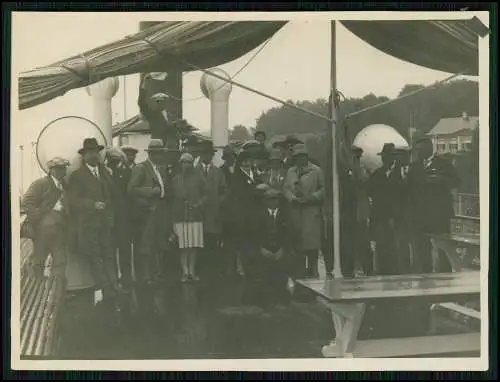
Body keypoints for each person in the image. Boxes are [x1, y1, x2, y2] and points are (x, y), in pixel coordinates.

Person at [67, 138, 123, 315]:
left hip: (105, 224)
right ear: (84, 156)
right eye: (90, 152)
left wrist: (109, 210)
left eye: (96, 152)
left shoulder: (104, 172)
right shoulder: (77, 176)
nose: (93, 155)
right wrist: (92, 205)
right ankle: (105, 292)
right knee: (96, 259)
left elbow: (114, 194)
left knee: (108, 256)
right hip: (89, 226)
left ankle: (113, 288)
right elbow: (72, 201)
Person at [128, 139, 175, 291]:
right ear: (151, 154)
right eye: (157, 153)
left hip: (161, 209)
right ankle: (147, 277)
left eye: (161, 153)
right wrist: (150, 192)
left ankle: (156, 274)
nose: (160, 156)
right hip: (149, 211)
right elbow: (131, 189)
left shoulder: (160, 169)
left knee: (159, 242)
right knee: (147, 244)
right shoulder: (141, 168)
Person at [407, 138, 460, 273]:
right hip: (421, 216)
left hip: (439, 215)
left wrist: (441, 180)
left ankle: (445, 278)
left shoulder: (445, 164)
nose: (418, 152)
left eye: (421, 149)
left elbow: (456, 181)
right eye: (417, 150)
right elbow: (410, 190)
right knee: (422, 249)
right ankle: (425, 277)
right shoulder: (414, 166)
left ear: (430, 148)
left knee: (442, 248)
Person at [21, 156, 71, 278]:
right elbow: (26, 202)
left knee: (60, 261)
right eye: (60, 168)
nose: (64, 171)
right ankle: (35, 288)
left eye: (64, 168)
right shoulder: (40, 184)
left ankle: (55, 292)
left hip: (59, 230)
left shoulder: (63, 185)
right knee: (38, 262)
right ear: (52, 170)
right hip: (42, 231)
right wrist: (39, 219)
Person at [283, 143, 325, 279]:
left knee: (312, 248)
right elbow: (286, 188)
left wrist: (312, 197)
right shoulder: (290, 171)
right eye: (297, 157)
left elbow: (324, 189)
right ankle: (300, 279)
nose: (299, 159)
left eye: (302, 156)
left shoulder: (316, 171)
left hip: (311, 213)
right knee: (298, 248)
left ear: (306, 157)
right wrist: (292, 198)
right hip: (295, 213)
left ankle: (313, 275)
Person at [246, 189, 290, 307]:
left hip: (280, 251)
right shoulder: (258, 216)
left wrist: (283, 249)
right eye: (270, 199)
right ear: (265, 201)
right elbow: (253, 236)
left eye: (275, 199)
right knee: (262, 270)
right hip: (264, 250)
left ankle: (281, 299)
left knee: (283, 267)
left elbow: (289, 235)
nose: (273, 202)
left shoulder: (285, 215)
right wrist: (261, 250)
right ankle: (264, 301)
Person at [367, 143, 405, 275]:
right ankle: (383, 273)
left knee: (395, 249)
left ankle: (395, 275)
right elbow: (371, 193)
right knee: (382, 248)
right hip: (379, 218)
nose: (385, 159)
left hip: (396, 218)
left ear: (393, 158)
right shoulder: (377, 174)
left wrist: (394, 216)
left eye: (388, 156)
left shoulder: (400, 175)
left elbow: (402, 197)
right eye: (384, 156)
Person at [171, 153, 207, 282]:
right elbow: (172, 199)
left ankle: (192, 270)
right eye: (184, 162)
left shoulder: (199, 178)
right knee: (183, 245)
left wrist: (198, 205)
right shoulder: (175, 179)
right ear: (180, 164)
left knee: (193, 245)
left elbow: (206, 194)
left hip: (195, 215)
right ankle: (184, 271)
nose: (186, 165)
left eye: (189, 162)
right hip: (180, 215)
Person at [198, 143, 228, 280]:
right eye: (205, 154)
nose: (207, 157)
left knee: (212, 243)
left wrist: (218, 202)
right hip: (198, 213)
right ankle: (200, 271)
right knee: (199, 242)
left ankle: (212, 272)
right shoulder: (194, 170)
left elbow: (224, 190)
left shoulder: (218, 172)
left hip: (213, 214)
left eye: (210, 154)